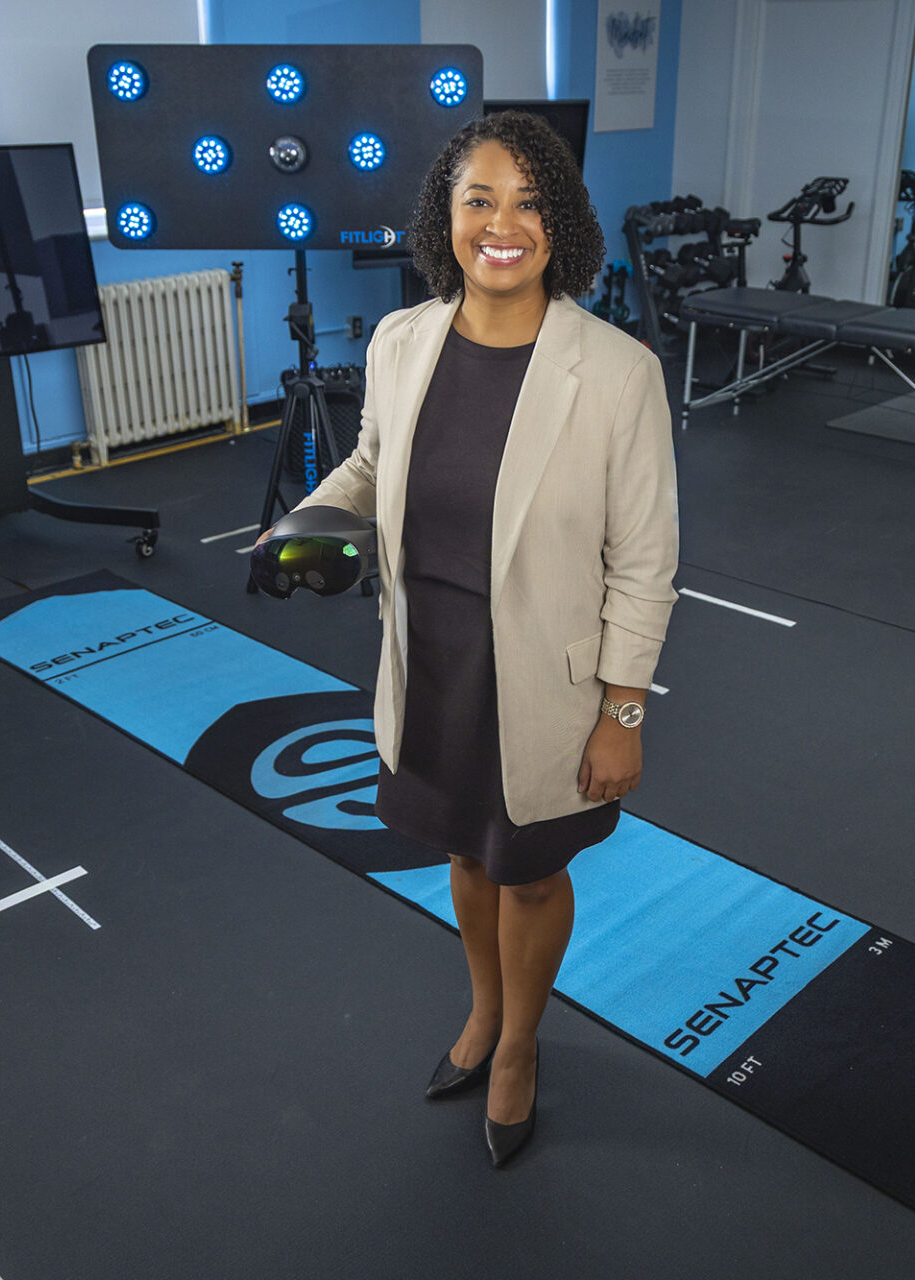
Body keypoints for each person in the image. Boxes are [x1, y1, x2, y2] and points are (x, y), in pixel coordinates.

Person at [263, 111, 678, 1166]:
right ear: (443, 217)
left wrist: (621, 710)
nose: (502, 224)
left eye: (529, 201)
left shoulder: (617, 371)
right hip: (433, 659)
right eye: (478, 200)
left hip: (545, 679)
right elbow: (368, 464)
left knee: (532, 869)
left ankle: (520, 1048)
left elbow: (644, 560)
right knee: (464, 849)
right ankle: (486, 1008)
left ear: (561, 222)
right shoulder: (403, 341)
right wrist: (305, 523)